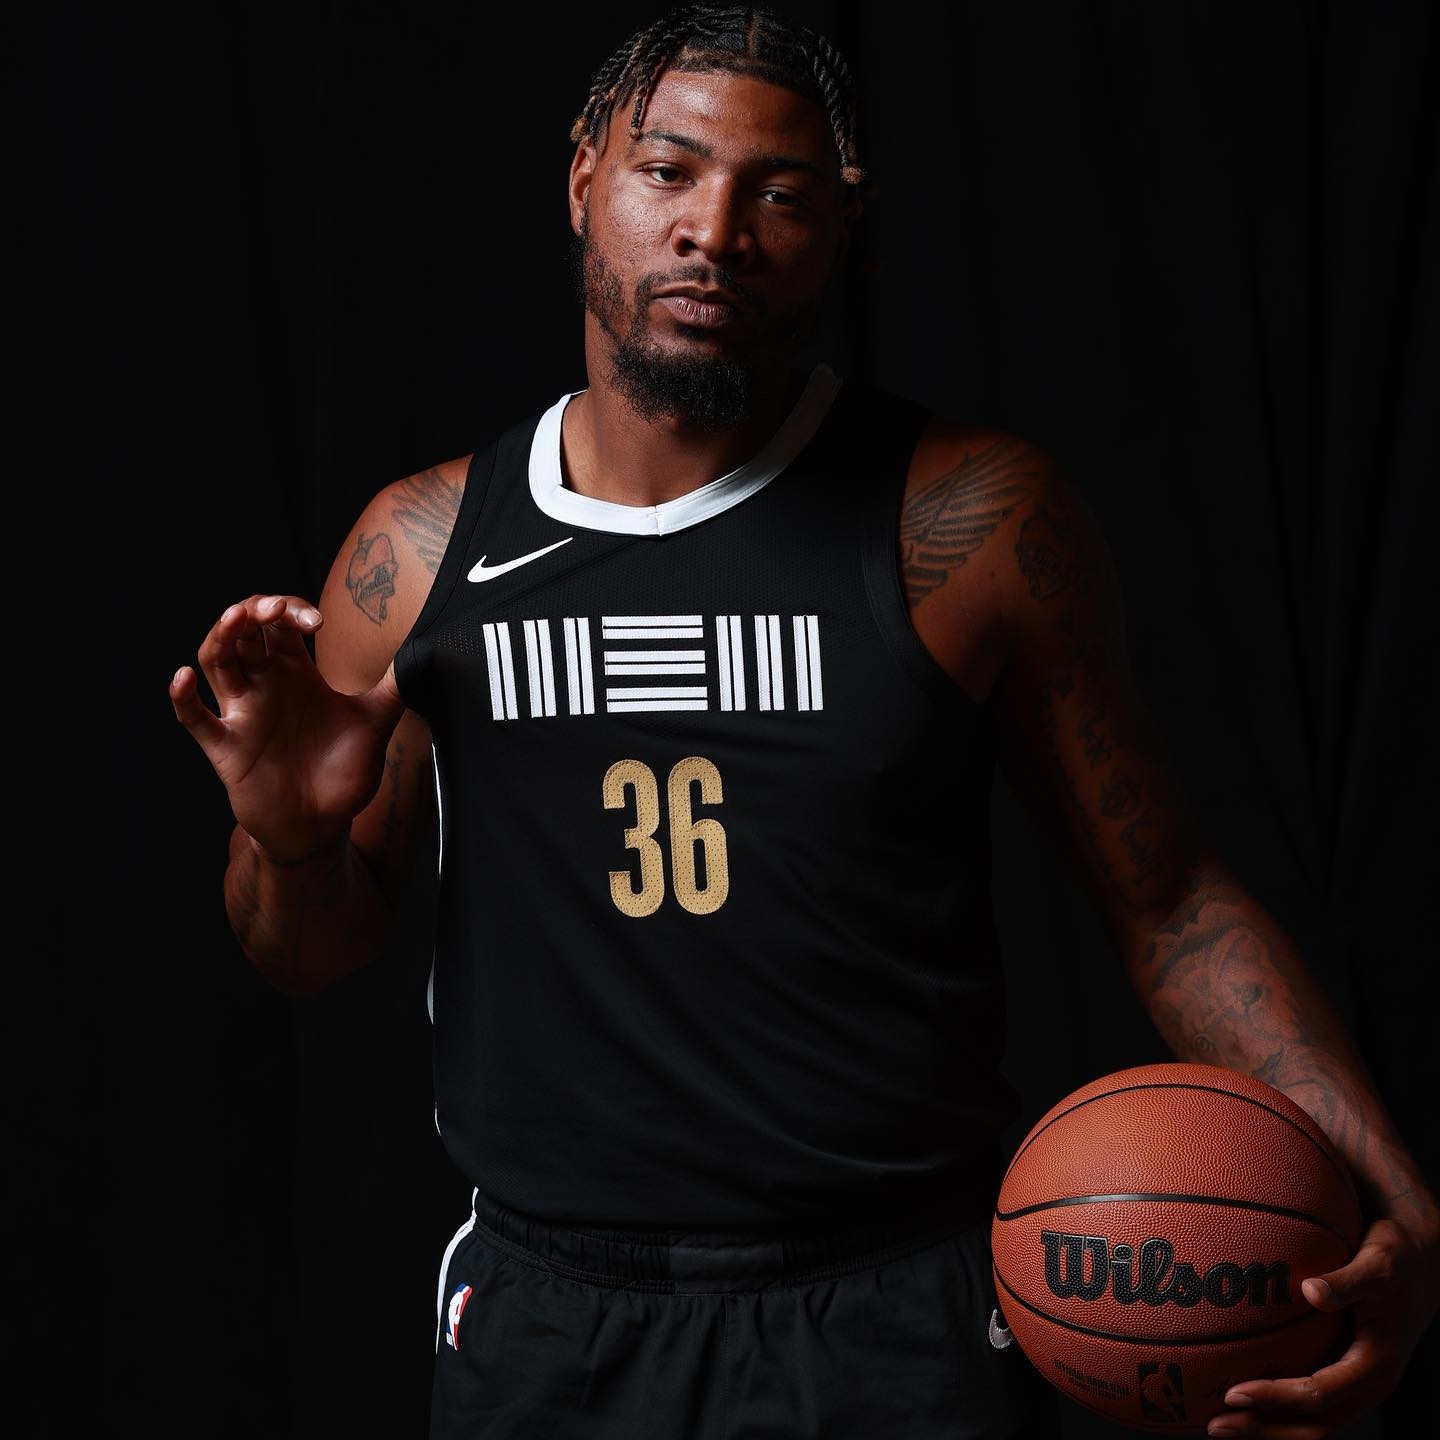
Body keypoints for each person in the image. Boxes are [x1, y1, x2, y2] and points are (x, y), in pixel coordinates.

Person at [170, 5, 1438, 1437]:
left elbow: (1171, 901)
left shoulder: (969, 523)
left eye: (778, 192)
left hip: (894, 1313)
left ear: (842, 229)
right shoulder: (419, 551)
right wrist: (287, 840)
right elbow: (304, 952)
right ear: (583, 177)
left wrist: (1393, 1190)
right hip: (552, 1320)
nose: (714, 231)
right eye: (668, 171)